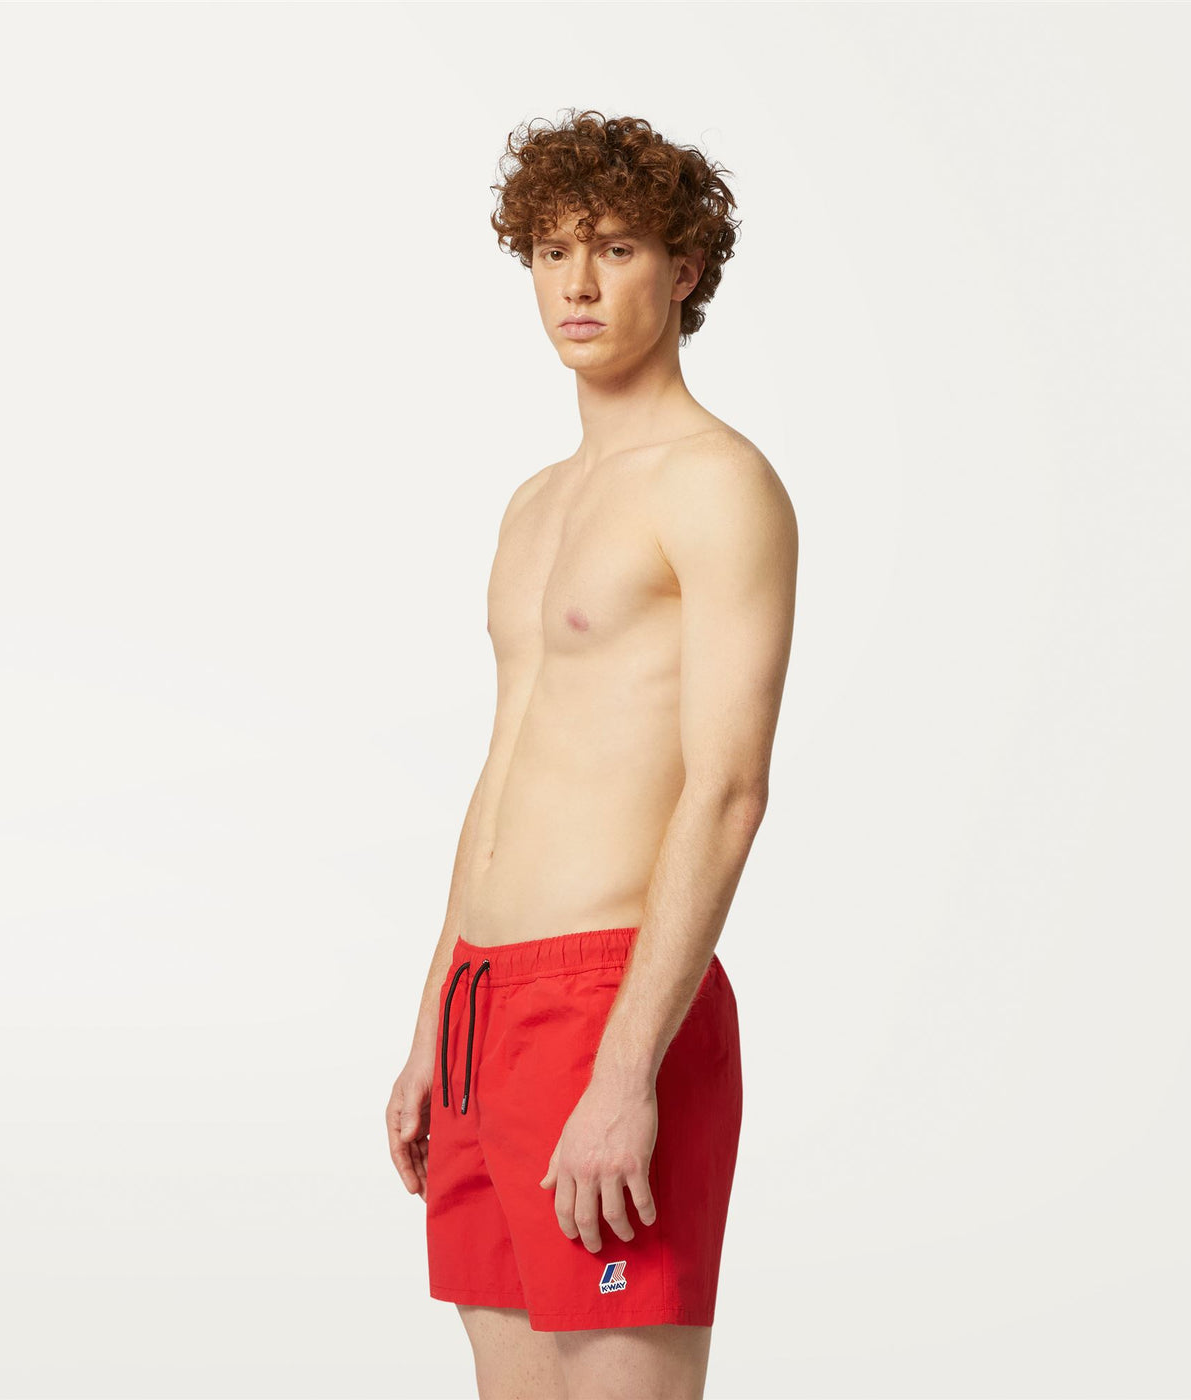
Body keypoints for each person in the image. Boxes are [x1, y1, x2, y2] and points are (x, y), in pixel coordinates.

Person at [385, 108, 797, 1400]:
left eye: (616, 249)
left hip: (611, 998)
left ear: (683, 271)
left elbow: (727, 793)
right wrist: (431, 1022)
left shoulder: (716, 482)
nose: (578, 282)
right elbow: (506, 768)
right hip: (482, 1008)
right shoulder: (536, 504)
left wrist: (626, 1071)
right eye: (553, 250)